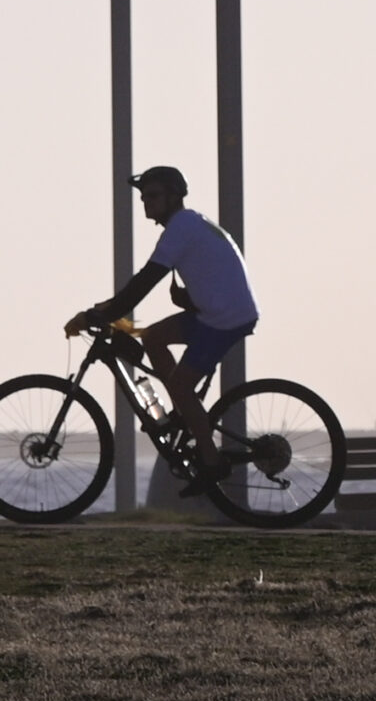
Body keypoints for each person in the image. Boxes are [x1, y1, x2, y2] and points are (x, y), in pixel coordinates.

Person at [66, 165, 258, 482]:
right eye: (143, 197)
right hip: (217, 311)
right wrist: (111, 308)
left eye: (153, 196)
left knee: (181, 385)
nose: (146, 202)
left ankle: (210, 461)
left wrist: (102, 315)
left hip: (224, 318)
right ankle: (183, 414)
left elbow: (146, 279)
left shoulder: (180, 227)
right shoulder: (188, 223)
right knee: (152, 337)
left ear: (174, 196)